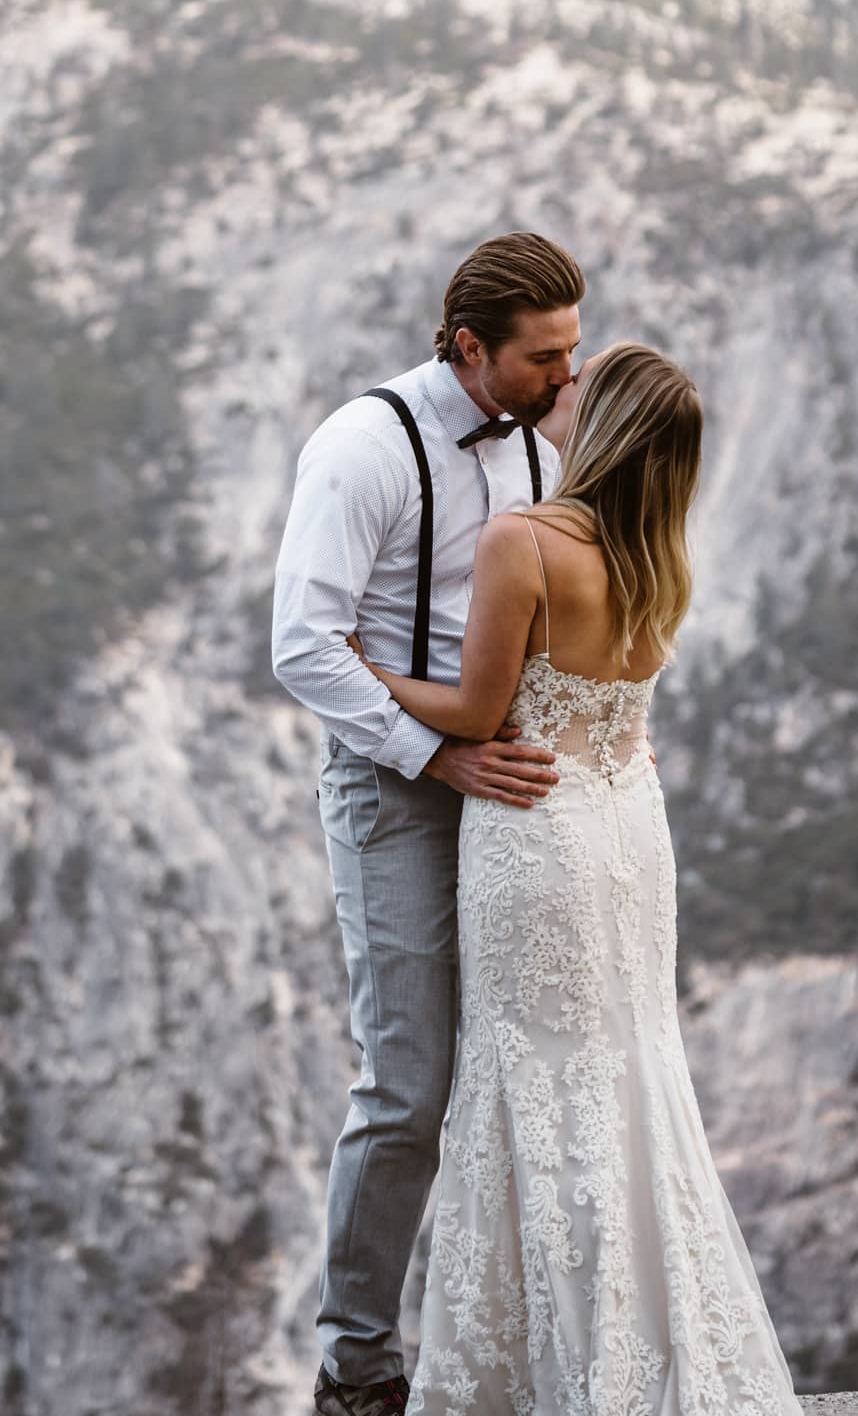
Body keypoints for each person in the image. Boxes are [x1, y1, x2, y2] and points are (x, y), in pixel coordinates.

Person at [354, 342, 803, 1416]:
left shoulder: (527, 539)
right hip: (628, 835)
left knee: (535, 1081)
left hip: (535, 831)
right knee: (630, 1074)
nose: (559, 387)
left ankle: (553, 1372)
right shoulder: (657, 549)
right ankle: (647, 1350)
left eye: (578, 383)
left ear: (600, 423)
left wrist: (360, 669)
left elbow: (473, 714)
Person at [272, 230, 588, 1415]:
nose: (569, 379)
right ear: (468, 347)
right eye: (544, 359)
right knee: (408, 1083)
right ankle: (357, 1370)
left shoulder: (546, 439)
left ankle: (511, 1348)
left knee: (525, 1067)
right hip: (396, 786)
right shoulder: (365, 446)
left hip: (510, 782)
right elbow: (303, 647)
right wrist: (436, 753)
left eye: (573, 351)